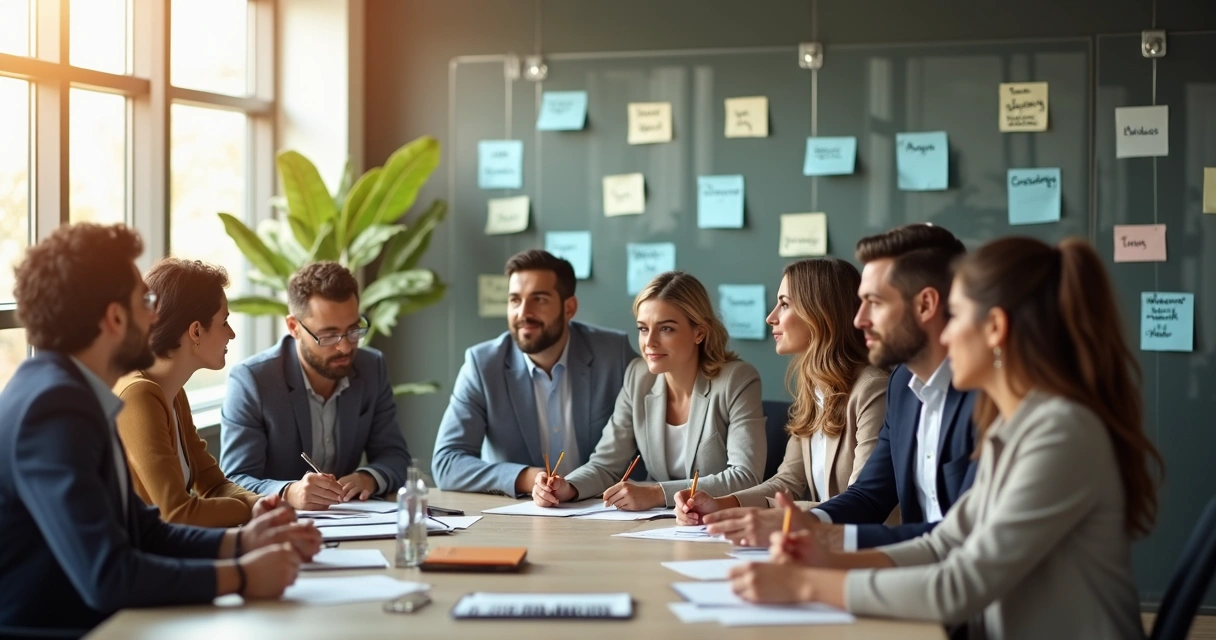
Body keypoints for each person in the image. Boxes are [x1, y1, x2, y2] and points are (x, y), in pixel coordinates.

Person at [729, 236, 1162, 640]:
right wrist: (828, 556)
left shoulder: (1061, 432)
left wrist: (808, 584)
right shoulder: (1016, 426)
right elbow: (948, 542)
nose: (946, 333)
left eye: (956, 316)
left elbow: (961, 584)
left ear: (994, 328)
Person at [0, 223, 319, 632]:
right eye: (145, 301)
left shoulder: (72, 393)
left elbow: (143, 529)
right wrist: (241, 575)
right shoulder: (54, 408)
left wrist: (243, 542)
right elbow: (109, 576)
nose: (155, 315)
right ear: (115, 317)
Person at [705, 223, 976, 549]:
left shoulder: (979, 401)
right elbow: (869, 494)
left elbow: (963, 542)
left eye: (875, 302)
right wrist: (801, 522)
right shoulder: (903, 386)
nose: (859, 319)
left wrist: (799, 530)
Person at [675, 258, 889, 524]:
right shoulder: (813, 386)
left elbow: (861, 501)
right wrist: (718, 504)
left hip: (865, 546)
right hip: (822, 540)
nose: (770, 317)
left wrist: (768, 514)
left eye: (784, 304)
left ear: (819, 313)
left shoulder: (872, 389)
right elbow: (788, 480)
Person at [533, 271, 766, 511]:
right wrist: (567, 487)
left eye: (666, 329)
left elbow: (745, 476)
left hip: (715, 525)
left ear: (699, 332)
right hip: (659, 526)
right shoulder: (638, 376)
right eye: (643, 329)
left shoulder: (736, 380)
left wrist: (657, 493)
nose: (650, 342)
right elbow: (606, 465)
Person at [432, 250, 635, 496]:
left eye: (539, 299)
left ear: (569, 307)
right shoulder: (483, 366)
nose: (523, 313)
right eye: (515, 300)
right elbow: (446, 463)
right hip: (522, 518)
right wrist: (524, 477)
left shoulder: (613, 354)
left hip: (604, 510)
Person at [221, 261, 412, 510]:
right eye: (329, 335)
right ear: (294, 327)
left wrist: (368, 478)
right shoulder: (252, 381)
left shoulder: (371, 367)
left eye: (353, 330)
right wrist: (288, 492)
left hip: (351, 523)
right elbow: (233, 480)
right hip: (278, 528)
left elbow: (395, 456)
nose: (344, 347)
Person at [115, 258, 268, 527]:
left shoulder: (173, 392)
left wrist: (262, 504)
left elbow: (213, 484)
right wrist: (251, 511)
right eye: (224, 322)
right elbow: (176, 513)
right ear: (196, 331)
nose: (231, 334)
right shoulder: (138, 395)